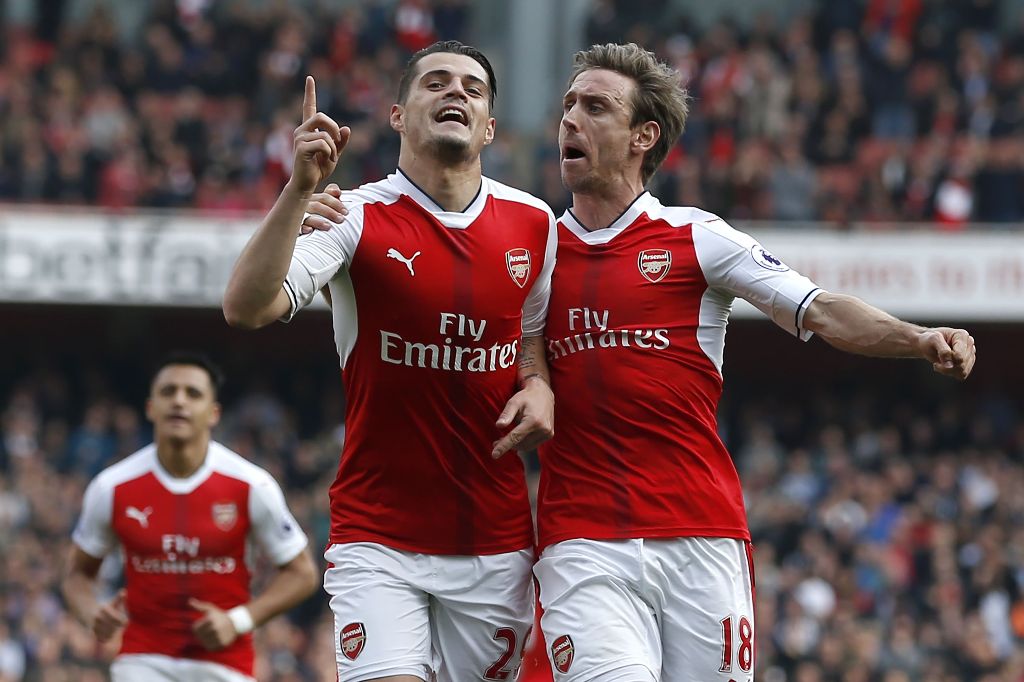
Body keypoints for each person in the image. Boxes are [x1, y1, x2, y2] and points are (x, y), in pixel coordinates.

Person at [302, 42, 977, 681]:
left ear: (642, 137)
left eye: (595, 107)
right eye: (567, 105)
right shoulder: (529, 244)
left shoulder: (697, 239)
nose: (570, 117)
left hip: (702, 535)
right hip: (580, 543)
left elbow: (821, 309)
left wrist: (918, 338)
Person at [223, 40, 557, 682]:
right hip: (378, 537)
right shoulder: (353, 215)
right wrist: (297, 192)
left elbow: (532, 335)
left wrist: (538, 384)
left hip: (494, 541)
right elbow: (247, 307)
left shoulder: (534, 224)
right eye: (435, 82)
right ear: (399, 114)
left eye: (471, 87)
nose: (454, 92)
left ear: (489, 126)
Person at [62, 352, 319, 682]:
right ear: (151, 407)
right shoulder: (111, 487)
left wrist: (238, 620)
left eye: (193, 393)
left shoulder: (252, 485)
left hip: (226, 663)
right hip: (142, 660)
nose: (179, 401)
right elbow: (76, 575)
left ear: (214, 413)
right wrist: (90, 612)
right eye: (168, 392)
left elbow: (303, 574)